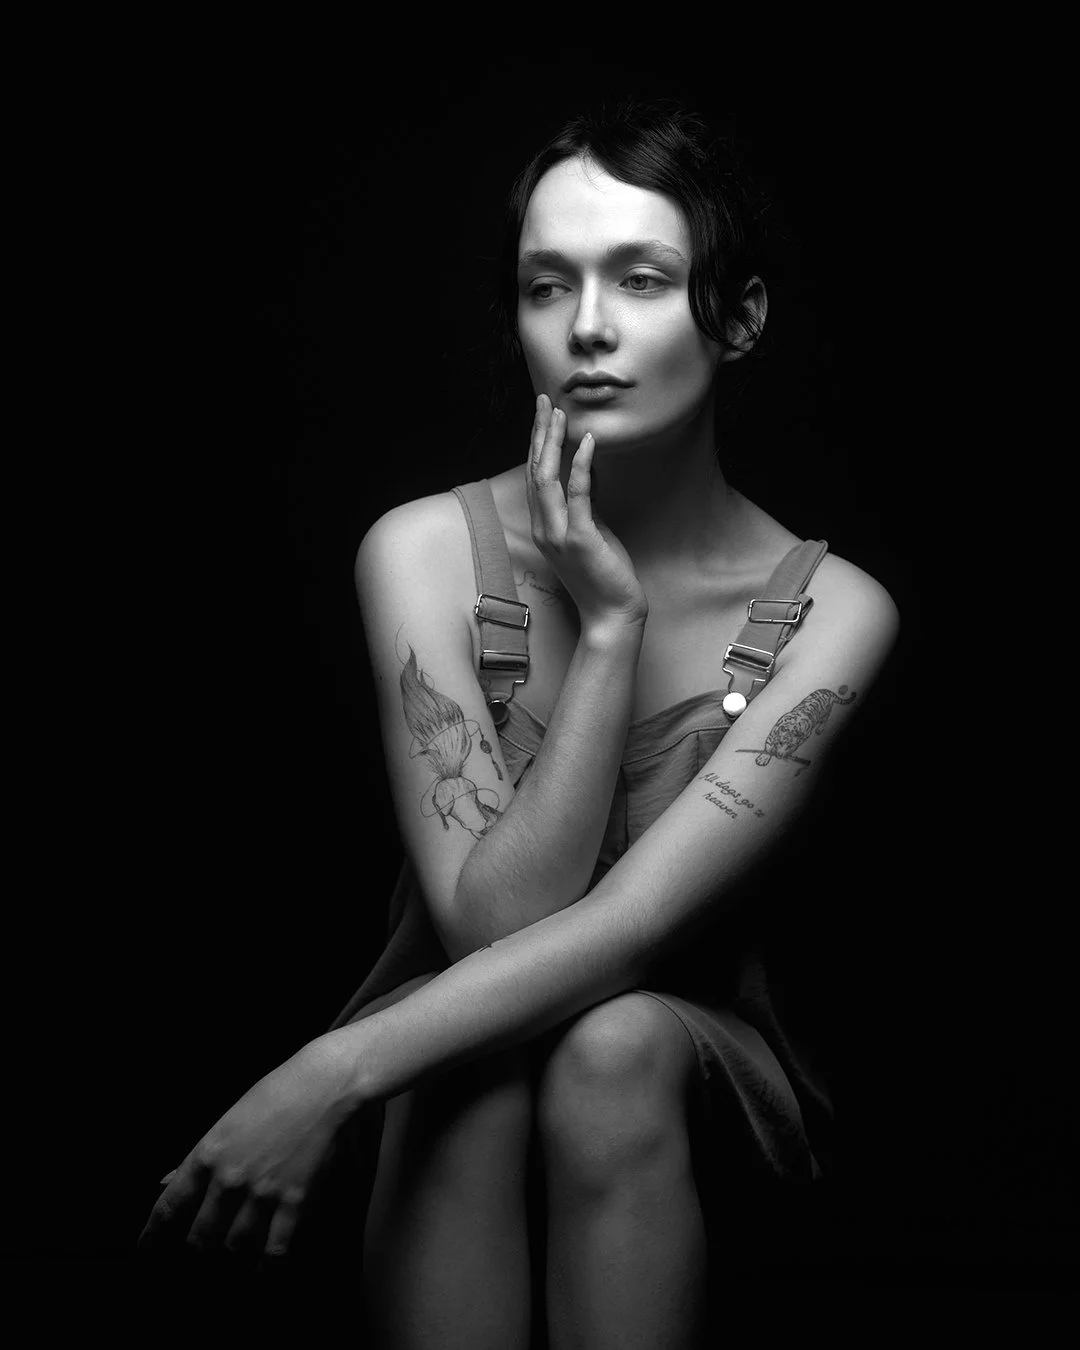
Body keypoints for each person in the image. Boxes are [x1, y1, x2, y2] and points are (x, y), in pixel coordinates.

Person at [139, 98, 899, 1347]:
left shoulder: (834, 612)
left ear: (742, 316)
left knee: (607, 1043)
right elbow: (493, 926)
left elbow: (632, 931)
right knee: (478, 1060)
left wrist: (327, 1070)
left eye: (643, 279)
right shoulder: (427, 552)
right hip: (451, 1081)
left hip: (678, 1080)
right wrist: (607, 631)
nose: (589, 328)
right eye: (549, 288)